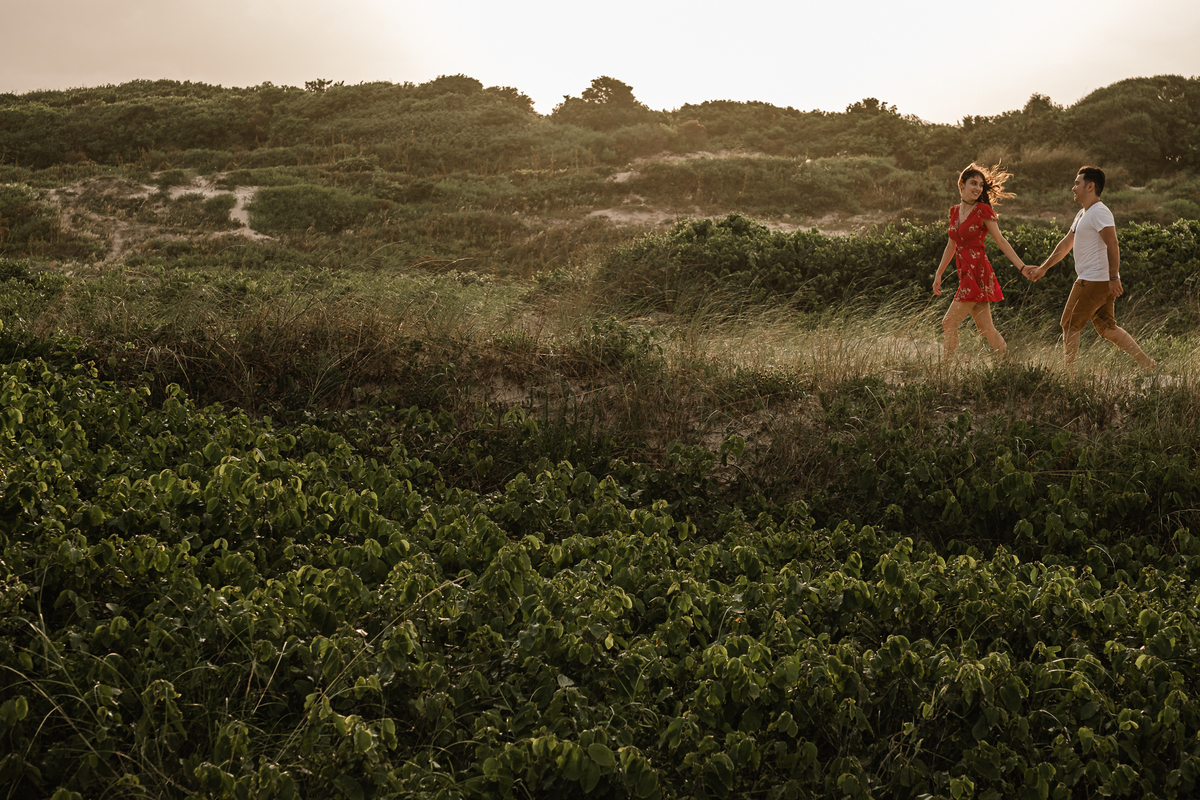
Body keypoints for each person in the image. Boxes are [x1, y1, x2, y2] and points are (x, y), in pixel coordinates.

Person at [1026, 166, 1155, 371]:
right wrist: (1044, 268)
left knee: (1069, 324)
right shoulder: (1082, 213)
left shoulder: (1100, 212)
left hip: (1094, 279)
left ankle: (1069, 376)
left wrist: (1114, 277)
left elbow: (1112, 243)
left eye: (1077, 183)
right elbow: (1066, 243)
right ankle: (1146, 363)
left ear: (1090, 186)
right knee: (1107, 328)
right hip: (1099, 279)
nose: (1073, 188)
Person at [932, 163, 1031, 363]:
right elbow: (951, 245)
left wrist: (1022, 267)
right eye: (973, 183)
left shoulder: (983, 211)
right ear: (962, 184)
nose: (978, 188)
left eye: (981, 185)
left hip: (977, 272)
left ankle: (945, 370)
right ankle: (1010, 367)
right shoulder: (954, 211)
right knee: (986, 329)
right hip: (964, 272)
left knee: (949, 322)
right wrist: (939, 273)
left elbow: (1001, 241)